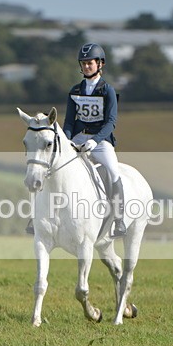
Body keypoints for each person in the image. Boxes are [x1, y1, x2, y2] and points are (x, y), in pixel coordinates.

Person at [64, 42, 126, 238]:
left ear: (100, 64)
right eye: (83, 63)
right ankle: (38, 216)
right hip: (78, 137)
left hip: (101, 140)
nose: (86, 67)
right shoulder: (75, 90)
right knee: (54, 166)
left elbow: (111, 122)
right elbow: (68, 121)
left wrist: (96, 140)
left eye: (90, 63)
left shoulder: (107, 91)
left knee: (114, 172)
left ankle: (119, 219)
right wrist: (67, 141)